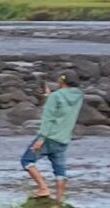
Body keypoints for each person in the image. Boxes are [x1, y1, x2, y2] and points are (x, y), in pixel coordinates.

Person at [23, 73, 87, 201]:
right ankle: (59, 200)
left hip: (49, 137)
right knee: (60, 171)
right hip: (64, 139)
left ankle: (43, 188)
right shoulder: (79, 96)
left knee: (27, 161)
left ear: (63, 81)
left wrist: (41, 139)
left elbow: (48, 119)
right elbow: (64, 104)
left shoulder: (55, 96)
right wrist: (49, 95)